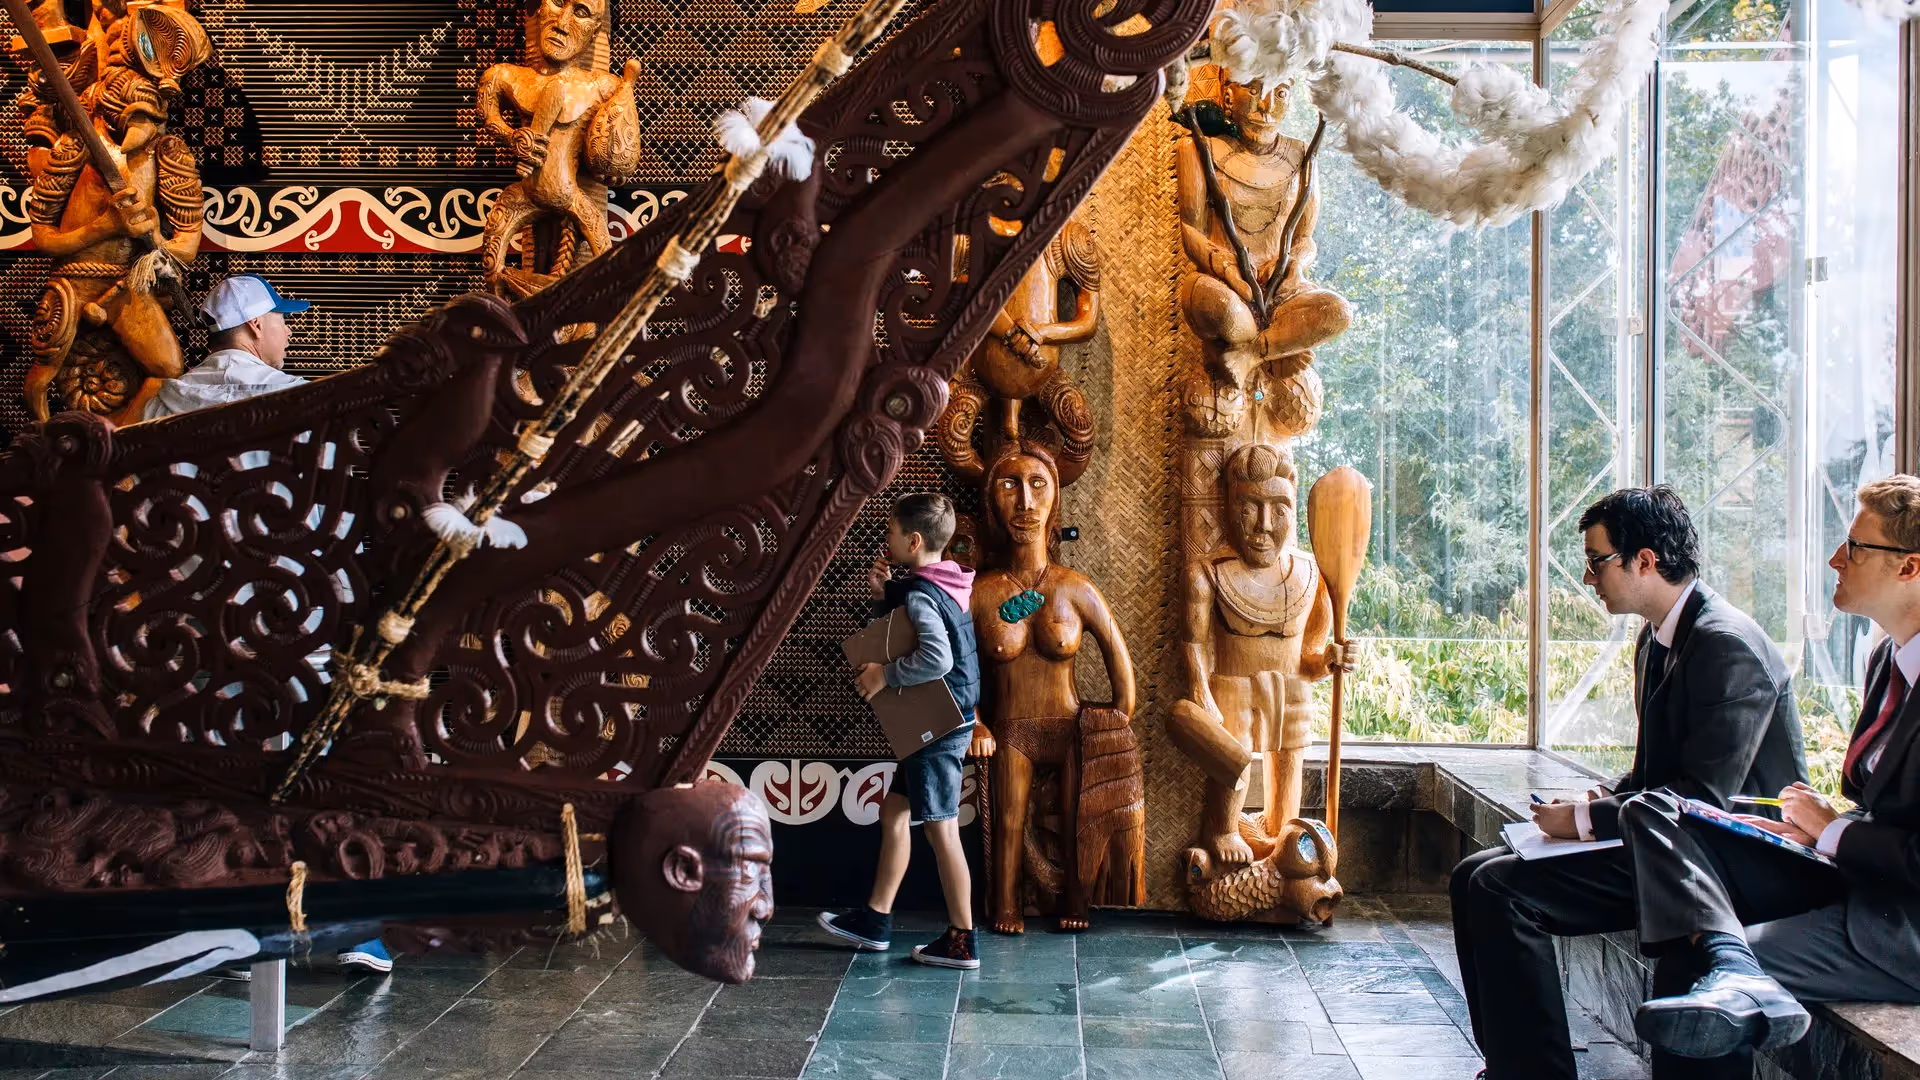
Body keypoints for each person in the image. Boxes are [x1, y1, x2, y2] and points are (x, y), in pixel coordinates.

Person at [1450, 485, 1807, 1080]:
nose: (1589, 578)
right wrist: (1592, 801)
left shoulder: (1725, 645)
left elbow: (1705, 799)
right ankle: (1514, 1065)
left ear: (1644, 560)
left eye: (1597, 560)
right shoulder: (1659, 638)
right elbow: (1652, 777)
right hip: (1673, 845)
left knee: (1500, 891)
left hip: (1729, 860)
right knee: (1472, 876)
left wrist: (1590, 822)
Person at [1620, 474, 1920, 1074]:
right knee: (1655, 810)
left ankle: (1732, 965)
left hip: (1901, 927)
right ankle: (1731, 960)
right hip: (1856, 879)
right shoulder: (1888, 657)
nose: (1837, 558)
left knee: (1696, 962)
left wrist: (1834, 831)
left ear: (1909, 568)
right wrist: (1817, 830)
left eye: (1856, 548)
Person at [142, 273, 394, 980]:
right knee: (319, 759)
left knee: (219, 760)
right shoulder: (295, 400)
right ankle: (346, 927)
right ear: (253, 328)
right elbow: (335, 506)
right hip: (291, 612)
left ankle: (221, 921)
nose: (289, 331)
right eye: (282, 320)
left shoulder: (164, 402)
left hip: (196, 621)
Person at [817, 493, 982, 969]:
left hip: (938, 729)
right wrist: (879, 597)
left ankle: (962, 939)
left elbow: (937, 657)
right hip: (942, 723)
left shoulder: (920, 594)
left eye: (890, 533)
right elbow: (914, 631)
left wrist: (884, 676)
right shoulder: (944, 583)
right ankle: (875, 920)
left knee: (941, 831)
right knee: (894, 813)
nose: (886, 540)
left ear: (912, 541)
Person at [142, 274, 308, 421]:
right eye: (283, 320)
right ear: (256, 325)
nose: (289, 332)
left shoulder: (157, 407)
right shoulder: (305, 399)